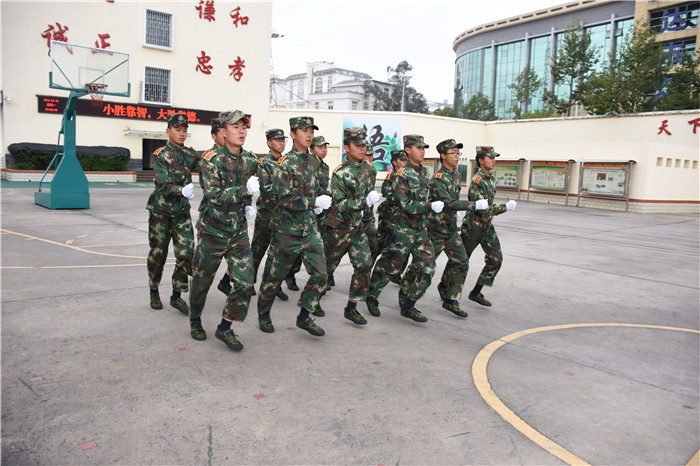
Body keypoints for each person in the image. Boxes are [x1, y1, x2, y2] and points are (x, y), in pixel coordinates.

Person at [188, 110, 260, 351]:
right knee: (202, 280)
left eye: (244, 127)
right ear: (223, 131)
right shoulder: (211, 160)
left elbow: (254, 187)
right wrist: (244, 192)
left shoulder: (250, 160)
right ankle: (195, 320)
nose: (241, 131)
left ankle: (225, 327)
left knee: (245, 282)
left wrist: (247, 205)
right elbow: (214, 194)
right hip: (213, 230)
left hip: (238, 231)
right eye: (235, 127)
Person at [257, 116, 332, 337]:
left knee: (321, 275)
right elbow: (284, 198)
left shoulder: (315, 163)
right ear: (293, 134)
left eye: (311, 131)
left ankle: (304, 316)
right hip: (286, 230)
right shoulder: (285, 163)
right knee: (273, 278)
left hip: (310, 229)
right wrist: (313, 202)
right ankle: (263, 314)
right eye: (304, 131)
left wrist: (323, 201)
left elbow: (320, 189)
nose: (309, 135)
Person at [366, 135, 443, 322]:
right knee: (389, 267)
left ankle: (408, 305)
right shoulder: (402, 175)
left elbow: (427, 198)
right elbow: (406, 205)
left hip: (421, 230)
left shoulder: (424, 172)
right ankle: (371, 295)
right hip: (402, 229)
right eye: (418, 148)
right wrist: (429, 206)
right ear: (408, 150)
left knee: (427, 267)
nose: (422, 151)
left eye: (424, 148)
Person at [420, 139, 488, 317]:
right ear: (443, 156)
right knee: (423, 267)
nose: (457, 156)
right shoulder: (438, 178)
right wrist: (473, 205)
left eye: (458, 153)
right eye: (453, 153)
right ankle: (406, 298)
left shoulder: (456, 175)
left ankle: (451, 300)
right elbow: (448, 202)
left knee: (462, 262)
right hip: (436, 231)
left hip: (450, 230)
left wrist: (456, 212)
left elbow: (453, 201)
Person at [321, 128, 382, 325]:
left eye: (364, 145)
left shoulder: (370, 170)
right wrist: (364, 202)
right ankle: (312, 302)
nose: (362, 148)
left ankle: (351, 308)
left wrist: (368, 219)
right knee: (325, 270)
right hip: (337, 229)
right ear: (347, 148)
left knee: (364, 265)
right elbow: (340, 205)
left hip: (357, 228)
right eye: (358, 145)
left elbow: (368, 200)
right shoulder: (340, 173)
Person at [146, 113, 197, 315]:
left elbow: (209, 167)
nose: (182, 133)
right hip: (160, 211)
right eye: (178, 129)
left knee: (187, 253)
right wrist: (181, 190)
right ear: (168, 131)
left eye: (184, 130)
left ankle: (176, 295)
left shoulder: (191, 155)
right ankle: (154, 290)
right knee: (158, 253)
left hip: (181, 212)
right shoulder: (160, 155)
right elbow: (162, 184)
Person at [460, 145, 516, 307]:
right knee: (461, 262)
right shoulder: (477, 181)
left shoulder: (490, 178)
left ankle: (476, 292)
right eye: (490, 158)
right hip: (473, 227)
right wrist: (505, 207)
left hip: (486, 226)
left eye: (494, 158)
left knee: (496, 259)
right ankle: (446, 289)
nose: (493, 160)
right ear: (481, 160)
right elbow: (483, 210)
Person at [247, 128, 290, 301]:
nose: (281, 143)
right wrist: (289, 194)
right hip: (267, 214)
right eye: (278, 140)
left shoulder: (286, 162)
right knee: (257, 251)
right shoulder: (264, 163)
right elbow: (268, 189)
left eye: (283, 140)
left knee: (278, 253)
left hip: (283, 216)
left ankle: (273, 285)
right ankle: (248, 283)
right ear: (269, 143)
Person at [285, 135, 331, 291]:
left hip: (320, 210)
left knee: (317, 248)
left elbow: (321, 187)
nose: (323, 150)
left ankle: (320, 281)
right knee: (298, 250)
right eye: (320, 147)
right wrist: (314, 202)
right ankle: (290, 275)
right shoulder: (306, 164)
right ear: (312, 150)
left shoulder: (324, 167)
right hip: (304, 210)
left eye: (325, 147)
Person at [376, 149, 408, 283]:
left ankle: (397, 273)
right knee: (379, 245)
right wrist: (404, 200)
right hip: (388, 217)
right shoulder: (391, 176)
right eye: (402, 160)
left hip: (403, 219)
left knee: (404, 247)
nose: (405, 162)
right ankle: (367, 271)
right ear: (394, 162)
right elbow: (387, 193)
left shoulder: (408, 175)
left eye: (406, 160)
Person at [361, 143, 380, 264]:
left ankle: (366, 270)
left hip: (368, 216)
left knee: (374, 244)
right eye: (367, 155)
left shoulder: (372, 170)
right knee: (337, 250)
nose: (370, 158)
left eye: (371, 155)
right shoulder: (350, 170)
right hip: (352, 215)